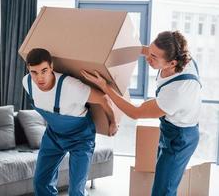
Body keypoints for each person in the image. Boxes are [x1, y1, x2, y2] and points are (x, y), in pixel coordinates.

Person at [81, 30, 201, 196]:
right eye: (150, 52)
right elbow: (143, 50)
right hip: (172, 128)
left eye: (154, 58)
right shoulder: (178, 55)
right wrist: (105, 52)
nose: (147, 58)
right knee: (162, 178)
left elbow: (135, 113)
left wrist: (105, 87)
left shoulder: (177, 91)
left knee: (163, 190)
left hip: (181, 138)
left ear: (172, 63)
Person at [22, 48, 117, 196]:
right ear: (28, 69)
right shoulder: (27, 83)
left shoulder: (71, 86)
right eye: (34, 72)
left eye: (44, 71)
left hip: (81, 137)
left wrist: (113, 122)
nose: (39, 78)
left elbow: (104, 99)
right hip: (54, 135)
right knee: (41, 182)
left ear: (52, 67)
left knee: (76, 191)